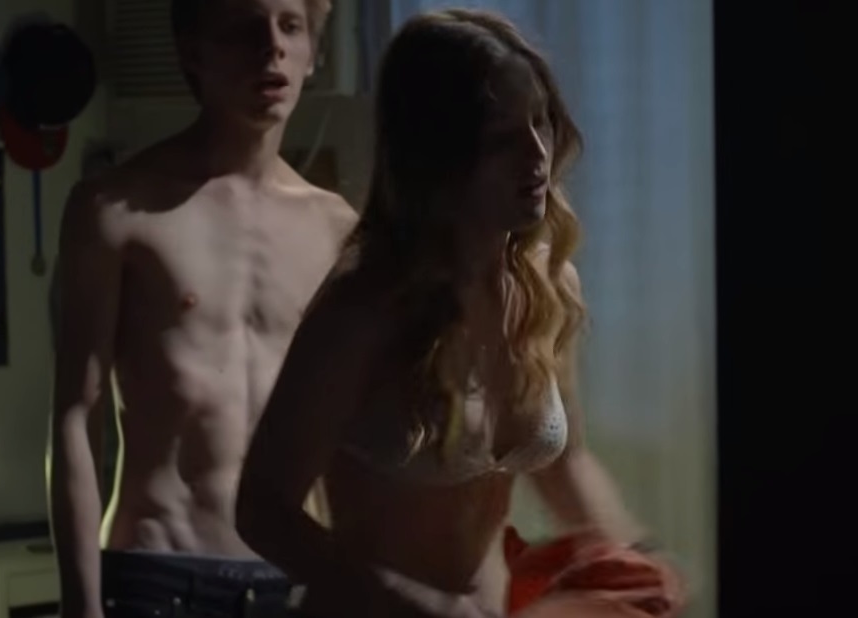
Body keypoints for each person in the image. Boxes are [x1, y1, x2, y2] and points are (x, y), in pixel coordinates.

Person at [236, 9, 656, 618]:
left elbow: (565, 466)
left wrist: (633, 563)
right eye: (502, 136)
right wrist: (404, 606)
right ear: (437, 152)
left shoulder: (546, 287)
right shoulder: (365, 307)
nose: (537, 153)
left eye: (541, 119)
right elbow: (261, 509)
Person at [47, 0, 356, 616]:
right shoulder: (115, 209)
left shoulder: (338, 229)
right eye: (246, 27)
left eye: (290, 26)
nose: (272, 47)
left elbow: (346, 439)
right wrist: (82, 606)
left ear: (312, 53)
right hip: (158, 572)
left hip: (292, 582)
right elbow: (75, 419)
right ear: (193, 50)